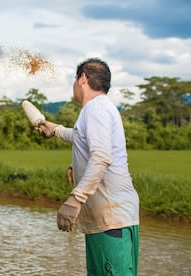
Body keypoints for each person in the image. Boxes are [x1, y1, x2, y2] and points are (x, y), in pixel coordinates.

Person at [37, 58, 140, 275]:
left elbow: (101, 157)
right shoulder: (98, 108)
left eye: (75, 79)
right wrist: (54, 129)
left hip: (112, 220)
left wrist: (75, 199)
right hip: (109, 219)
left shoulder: (96, 108)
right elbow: (79, 136)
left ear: (83, 78)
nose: (73, 85)